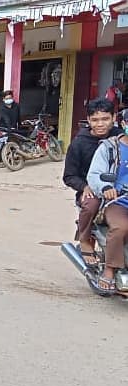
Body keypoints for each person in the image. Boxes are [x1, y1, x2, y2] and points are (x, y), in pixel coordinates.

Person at [63, 98, 122, 266]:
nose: (100, 124)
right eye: (95, 120)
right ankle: (84, 239)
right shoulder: (79, 143)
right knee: (91, 204)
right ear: (88, 120)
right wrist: (84, 186)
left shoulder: (121, 138)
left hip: (119, 188)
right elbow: (69, 176)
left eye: (105, 119)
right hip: (91, 189)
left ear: (113, 117)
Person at [87, 120, 128, 292]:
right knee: (121, 227)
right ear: (125, 123)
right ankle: (110, 269)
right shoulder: (109, 147)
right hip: (117, 201)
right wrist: (105, 187)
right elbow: (95, 173)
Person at [0, 90, 21, 168]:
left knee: (15, 142)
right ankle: (1, 161)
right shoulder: (2, 108)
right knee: (1, 144)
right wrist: (8, 127)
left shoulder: (16, 106)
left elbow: (18, 117)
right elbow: (6, 118)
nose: (9, 100)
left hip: (13, 128)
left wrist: (20, 125)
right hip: (3, 128)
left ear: (12, 98)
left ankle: (15, 158)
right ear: (3, 99)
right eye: (7, 98)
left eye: (10, 98)